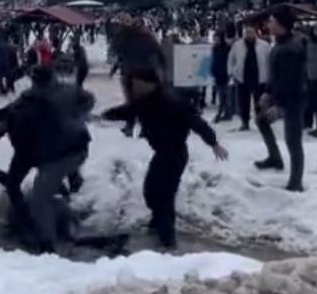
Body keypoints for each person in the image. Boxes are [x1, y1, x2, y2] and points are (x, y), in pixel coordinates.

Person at [103, 69, 227, 248]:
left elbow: (196, 121)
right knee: (151, 191)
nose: (134, 89)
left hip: (175, 154)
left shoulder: (171, 100)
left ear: (149, 84)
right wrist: (106, 114)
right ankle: (158, 223)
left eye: (137, 85)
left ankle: (167, 240)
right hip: (162, 153)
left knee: (165, 196)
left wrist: (213, 142)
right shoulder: (144, 101)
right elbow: (127, 111)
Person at [0, 66, 95, 252]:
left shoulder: (46, 98)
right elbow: (88, 101)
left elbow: (85, 104)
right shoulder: (31, 100)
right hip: (40, 151)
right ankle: (28, 219)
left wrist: (77, 115)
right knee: (21, 185)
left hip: (52, 152)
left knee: (39, 195)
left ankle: (47, 242)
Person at [255, 9, 308, 192]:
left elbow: (290, 82)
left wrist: (279, 105)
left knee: (293, 140)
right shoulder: (279, 44)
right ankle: (275, 158)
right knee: (261, 120)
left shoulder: (291, 49)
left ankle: (296, 182)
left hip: (293, 99)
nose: (268, 25)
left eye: (271, 21)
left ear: (280, 24)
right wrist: (267, 93)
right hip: (280, 95)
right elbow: (275, 75)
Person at [228, 25, 272, 131]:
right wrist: (232, 72)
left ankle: (261, 122)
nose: (249, 34)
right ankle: (245, 122)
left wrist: (270, 75)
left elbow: (270, 60)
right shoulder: (237, 45)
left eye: (251, 32)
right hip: (242, 77)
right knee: (243, 102)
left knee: (259, 102)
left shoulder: (264, 45)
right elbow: (231, 59)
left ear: (255, 33)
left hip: (260, 77)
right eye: (247, 32)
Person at [210, 31, 233, 123]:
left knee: (226, 94)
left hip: (225, 73)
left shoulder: (227, 47)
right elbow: (214, 60)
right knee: (221, 94)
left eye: (217, 38)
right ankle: (223, 112)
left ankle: (227, 113)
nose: (215, 40)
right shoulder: (215, 48)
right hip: (218, 74)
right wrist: (213, 70)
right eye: (214, 38)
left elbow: (230, 60)